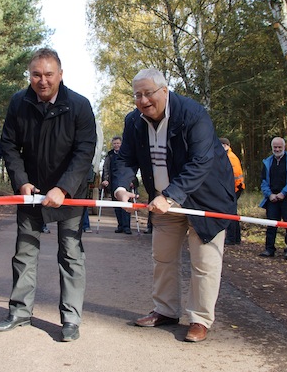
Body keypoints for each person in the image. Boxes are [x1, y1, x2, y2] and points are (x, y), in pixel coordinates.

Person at [113, 68, 236, 343]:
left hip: (205, 200)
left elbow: (201, 161)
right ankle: (165, 311)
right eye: (137, 95)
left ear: (165, 91)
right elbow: (125, 159)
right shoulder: (134, 121)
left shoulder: (193, 114)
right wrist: (120, 189)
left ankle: (200, 320)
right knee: (163, 257)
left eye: (149, 93)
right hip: (163, 202)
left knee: (204, 262)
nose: (143, 100)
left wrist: (170, 196)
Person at [0, 48, 96, 342]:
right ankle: (19, 313)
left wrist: (63, 188)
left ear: (60, 75)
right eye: (36, 74)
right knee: (24, 253)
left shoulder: (79, 105)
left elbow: (84, 151)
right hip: (31, 193)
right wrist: (21, 182)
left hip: (70, 194)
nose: (42, 81)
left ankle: (71, 320)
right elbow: (9, 146)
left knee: (71, 254)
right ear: (30, 75)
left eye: (49, 74)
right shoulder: (18, 102)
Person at [258, 137, 287, 260]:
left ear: (284, 147)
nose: (277, 149)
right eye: (275, 147)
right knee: (271, 224)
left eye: (279, 147)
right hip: (272, 198)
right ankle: (269, 249)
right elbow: (263, 181)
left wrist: (283, 193)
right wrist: (269, 194)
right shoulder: (267, 162)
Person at [102, 136, 132, 235]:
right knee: (117, 206)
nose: (116, 145)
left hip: (125, 182)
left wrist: (132, 180)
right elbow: (106, 168)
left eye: (118, 143)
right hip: (113, 181)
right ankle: (120, 225)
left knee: (126, 205)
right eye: (114, 143)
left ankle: (127, 227)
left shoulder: (126, 154)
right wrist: (105, 180)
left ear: (121, 144)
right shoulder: (110, 155)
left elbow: (131, 167)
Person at [220, 138, 245, 245]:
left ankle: (231, 238)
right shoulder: (227, 156)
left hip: (234, 189)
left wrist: (228, 191)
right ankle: (236, 238)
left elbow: (234, 177)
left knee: (230, 213)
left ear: (226, 145)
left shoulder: (231, 158)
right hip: (233, 189)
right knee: (232, 213)